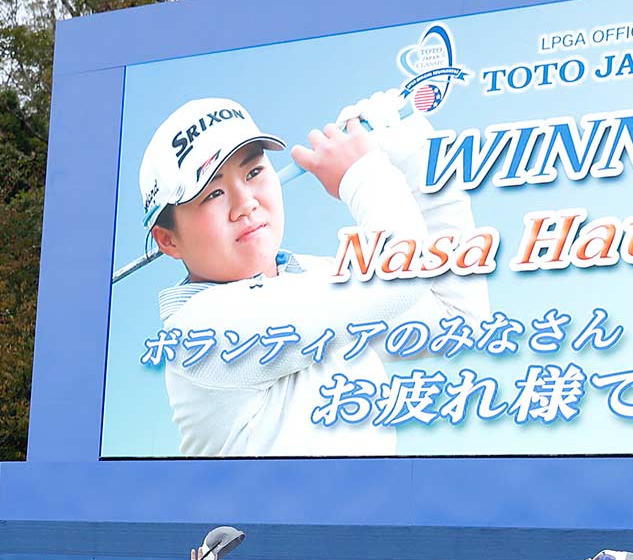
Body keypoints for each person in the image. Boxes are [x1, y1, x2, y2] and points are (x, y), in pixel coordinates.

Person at [138, 91, 484, 457]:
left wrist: (416, 161)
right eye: (213, 193)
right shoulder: (196, 331)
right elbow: (400, 277)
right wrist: (362, 173)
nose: (245, 203)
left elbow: (458, 326)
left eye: (254, 172)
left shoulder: (315, 280)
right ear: (168, 241)